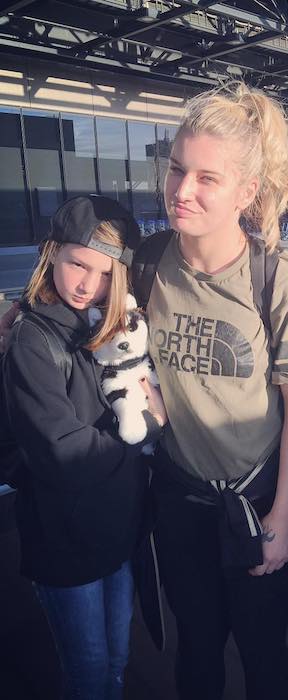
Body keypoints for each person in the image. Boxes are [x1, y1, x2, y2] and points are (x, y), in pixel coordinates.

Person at [145, 82, 288, 700]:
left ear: (247, 191)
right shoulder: (146, 265)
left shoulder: (279, 278)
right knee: (196, 649)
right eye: (175, 169)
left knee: (262, 652)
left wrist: (285, 515)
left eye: (207, 178)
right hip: (181, 499)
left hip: (258, 500)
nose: (181, 190)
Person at [1, 195, 166, 700]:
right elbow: (64, 453)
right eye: (77, 263)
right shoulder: (33, 338)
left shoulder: (112, 325)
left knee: (116, 662)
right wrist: (141, 430)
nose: (86, 284)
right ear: (52, 253)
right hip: (64, 541)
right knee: (90, 672)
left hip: (118, 534)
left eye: (103, 274)